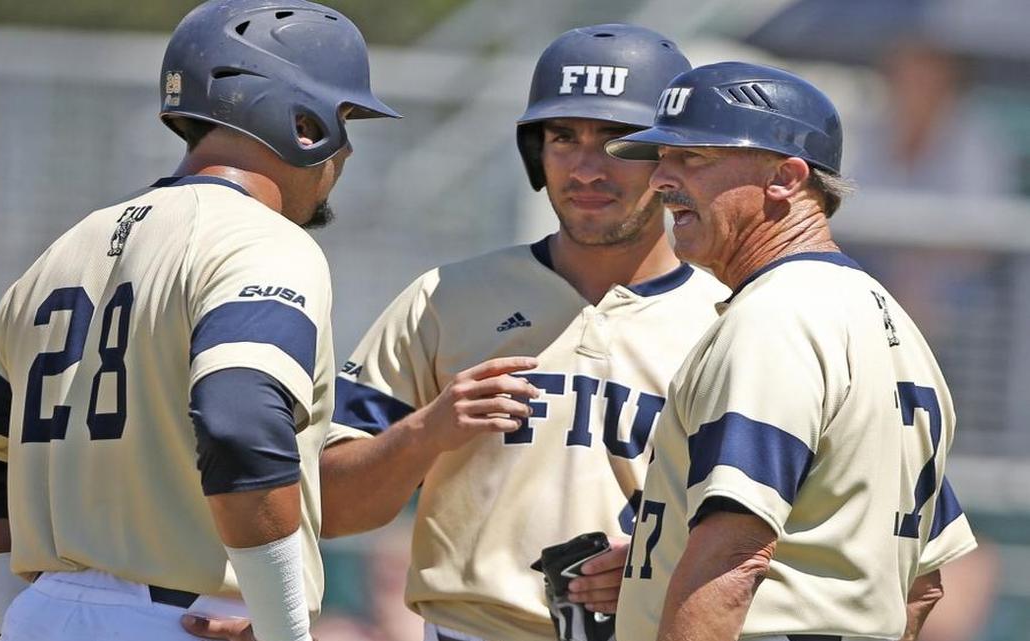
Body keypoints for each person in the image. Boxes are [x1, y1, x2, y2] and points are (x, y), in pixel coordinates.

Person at [186, 23, 728, 641]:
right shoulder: (444, 298)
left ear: (671, 158)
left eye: (617, 139)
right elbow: (330, 507)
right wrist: (424, 433)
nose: (584, 167)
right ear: (535, 152)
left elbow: (796, 535)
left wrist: (664, 562)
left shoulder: (731, 322)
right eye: (562, 136)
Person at [0, 1, 398, 640]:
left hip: (44, 615)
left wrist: (15, 619)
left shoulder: (67, 247)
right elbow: (241, 424)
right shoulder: (262, 240)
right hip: (189, 621)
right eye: (344, 120)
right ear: (305, 125)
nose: (349, 149)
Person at [605, 61, 978, 641]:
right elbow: (922, 585)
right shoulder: (888, 322)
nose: (660, 179)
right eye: (662, 158)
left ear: (785, 178)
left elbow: (735, 558)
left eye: (694, 158)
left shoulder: (775, 320)